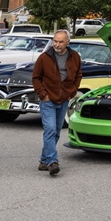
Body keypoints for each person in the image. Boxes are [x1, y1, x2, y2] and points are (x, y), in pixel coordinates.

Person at [31, 30, 81, 177]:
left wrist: (72, 92)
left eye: (60, 42)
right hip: (48, 101)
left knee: (56, 132)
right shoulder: (44, 57)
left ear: (68, 43)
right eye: (55, 41)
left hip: (64, 99)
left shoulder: (74, 57)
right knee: (50, 129)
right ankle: (53, 162)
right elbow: (35, 78)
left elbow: (78, 75)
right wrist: (43, 95)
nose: (57, 45)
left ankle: (44, 160)